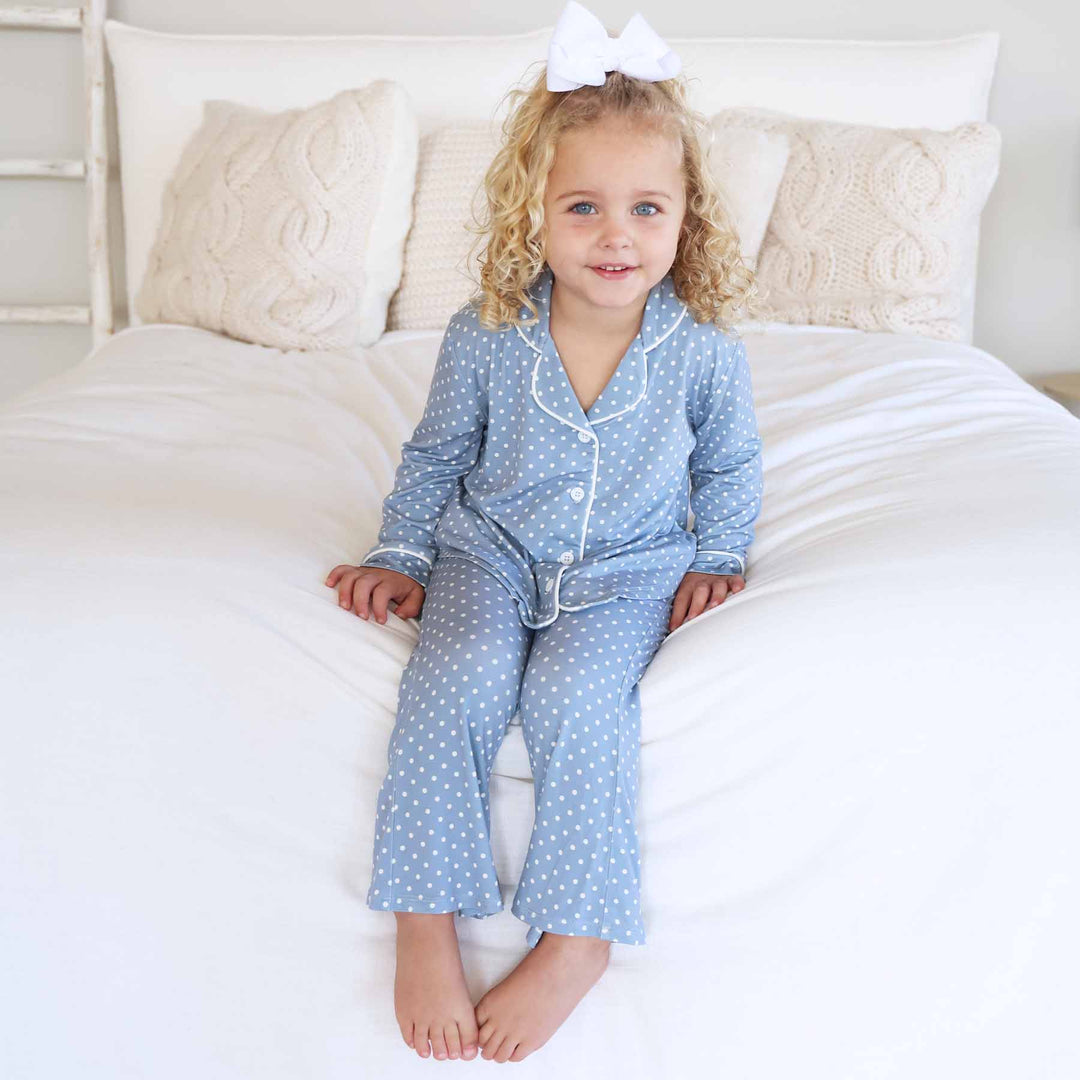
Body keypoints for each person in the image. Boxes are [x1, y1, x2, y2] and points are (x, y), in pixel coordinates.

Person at [325, 0, 765, 1064]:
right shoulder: (488, 334)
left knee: (577, 700)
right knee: (457, 676)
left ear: (685, 219)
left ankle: (576, 936)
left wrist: (717, 556)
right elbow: (435, 457)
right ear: (533, 215)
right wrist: (403, 553)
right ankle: (423, 924)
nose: (617, 235)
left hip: (625, 572)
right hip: (491, 553)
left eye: (646, 208)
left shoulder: (701, 347)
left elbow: (731, 466)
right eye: (583, 208)